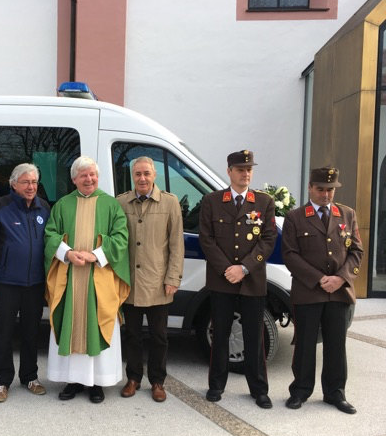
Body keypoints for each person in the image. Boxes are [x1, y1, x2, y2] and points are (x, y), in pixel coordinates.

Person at [44, 156, 130, 404]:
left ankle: (98, 384)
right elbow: (50, 235)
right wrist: (67, 253)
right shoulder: (62, 205)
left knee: (97, 323)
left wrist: (95, 255)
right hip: (69, 279)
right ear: (74, 179)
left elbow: (120, 238)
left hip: (99, 280)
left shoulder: (111, 205)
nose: (89, 179)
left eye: (92, 174)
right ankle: (72, 381)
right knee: (71, 325)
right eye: (83, 175)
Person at [198, 150, 276, 409]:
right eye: (241, 169)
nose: (246, 173)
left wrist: (243, 268)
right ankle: (216, 385)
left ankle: (259, 389)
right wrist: (226, 270)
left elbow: (268, 240)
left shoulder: (264, 202)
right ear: (229, 171)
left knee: (255, 338)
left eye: (249, 169)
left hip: (251, 280)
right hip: (222, 281)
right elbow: (206, 239)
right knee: (220, 334)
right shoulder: (212, 201)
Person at [282, 166, 363, 414]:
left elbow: (356, 252)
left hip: (339, 292)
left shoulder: (347, 214)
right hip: (309, 291)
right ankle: (300, 391)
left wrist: (340, 278)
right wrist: (319, 279)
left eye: (330, 190)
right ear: (310, 188)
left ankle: (335, 393)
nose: (326, 195)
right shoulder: (295, 217)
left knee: (336, 345)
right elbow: (290, 255)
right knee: (305, 344)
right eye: (321, 189)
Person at [0, 163, 50, 403]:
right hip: (7, 282)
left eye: (34, 183)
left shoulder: (44, 209)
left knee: (31, 332)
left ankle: (30, 376)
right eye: (26, 182)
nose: (31, 187)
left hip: (35, 284)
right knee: (3, 333)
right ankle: (1, 381)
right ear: (13, 184)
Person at [116, 156, 184, 402]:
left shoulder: (170, 203)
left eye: (146, 173)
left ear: (154, 175)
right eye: (137, 174)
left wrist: (173, 277)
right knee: (132, 334)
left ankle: (157, 381)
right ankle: (133, 378)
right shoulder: (121, 202)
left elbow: (177, 244)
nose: (142, 178)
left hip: (158, 282)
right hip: (130, 282)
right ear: (132, 176)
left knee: (159, 336)